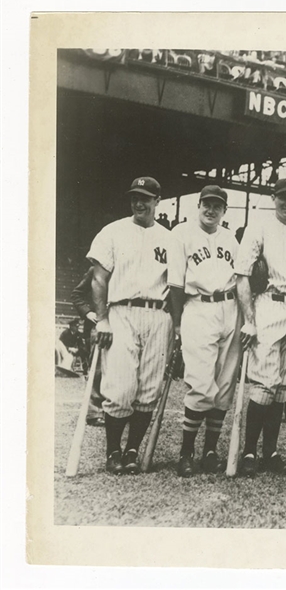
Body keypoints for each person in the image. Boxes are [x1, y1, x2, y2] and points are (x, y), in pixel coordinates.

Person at [87, 176, 173, 475]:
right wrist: (102, 319)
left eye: (146, 198)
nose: (139, 202)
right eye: (135, 197)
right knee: (120, 387)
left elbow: (176, 285)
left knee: (149, 389)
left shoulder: (170, 238)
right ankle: (113, 451)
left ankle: (133, 450)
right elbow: (99, 279)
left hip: (158, 314)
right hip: (121, 311)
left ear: (157, 201)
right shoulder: (112, 232)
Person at [235, 178, 286, 476]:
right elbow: (242, 274)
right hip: (269, 303)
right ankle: (248, 452)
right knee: (265, 383)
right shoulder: (259, 225)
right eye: (282, 196)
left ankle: (271, 452)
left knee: (283, 385)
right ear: (273, 197)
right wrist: (249, 321)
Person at [168, 185, 242, 477]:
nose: (211, 210)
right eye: (206, 204)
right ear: (197, 205)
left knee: (224, 385)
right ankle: (187, 451)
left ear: (224, 210)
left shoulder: (231, 239)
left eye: (217, 206)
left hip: (230, 307)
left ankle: (211, 449)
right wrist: (176, 321)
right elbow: (175, 283)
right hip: (197, 307)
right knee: (200, 383)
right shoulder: (181, 233)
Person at [70, 267, 105, 425]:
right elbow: (77, 294)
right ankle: (93, 413)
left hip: (122, 325)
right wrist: (88, 312)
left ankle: (114, 412)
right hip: (97, 327)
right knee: (97, 370)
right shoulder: (95, 269)